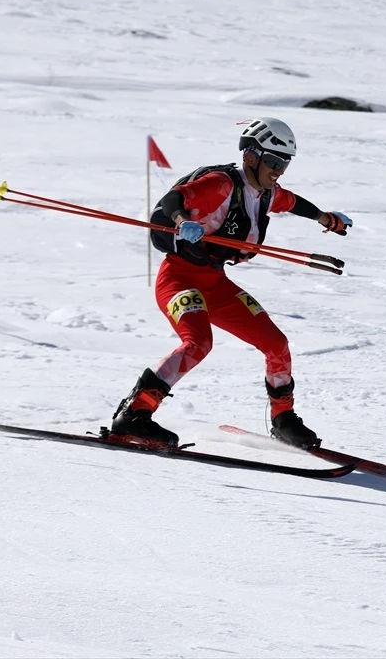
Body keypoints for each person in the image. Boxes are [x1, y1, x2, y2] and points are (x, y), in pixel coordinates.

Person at [110, 117, 353, 450]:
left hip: (215, 282)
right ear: (251, 156)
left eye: (285, 163)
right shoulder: (221, 184)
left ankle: (283, 420)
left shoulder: (266, 194)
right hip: (179, 278)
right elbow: (172, 199)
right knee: (198, 343)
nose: (279, 171)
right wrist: (182, 221)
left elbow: (293, 202)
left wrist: (326, 218)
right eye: (273, 162)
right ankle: (134, 414)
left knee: (276, 344)